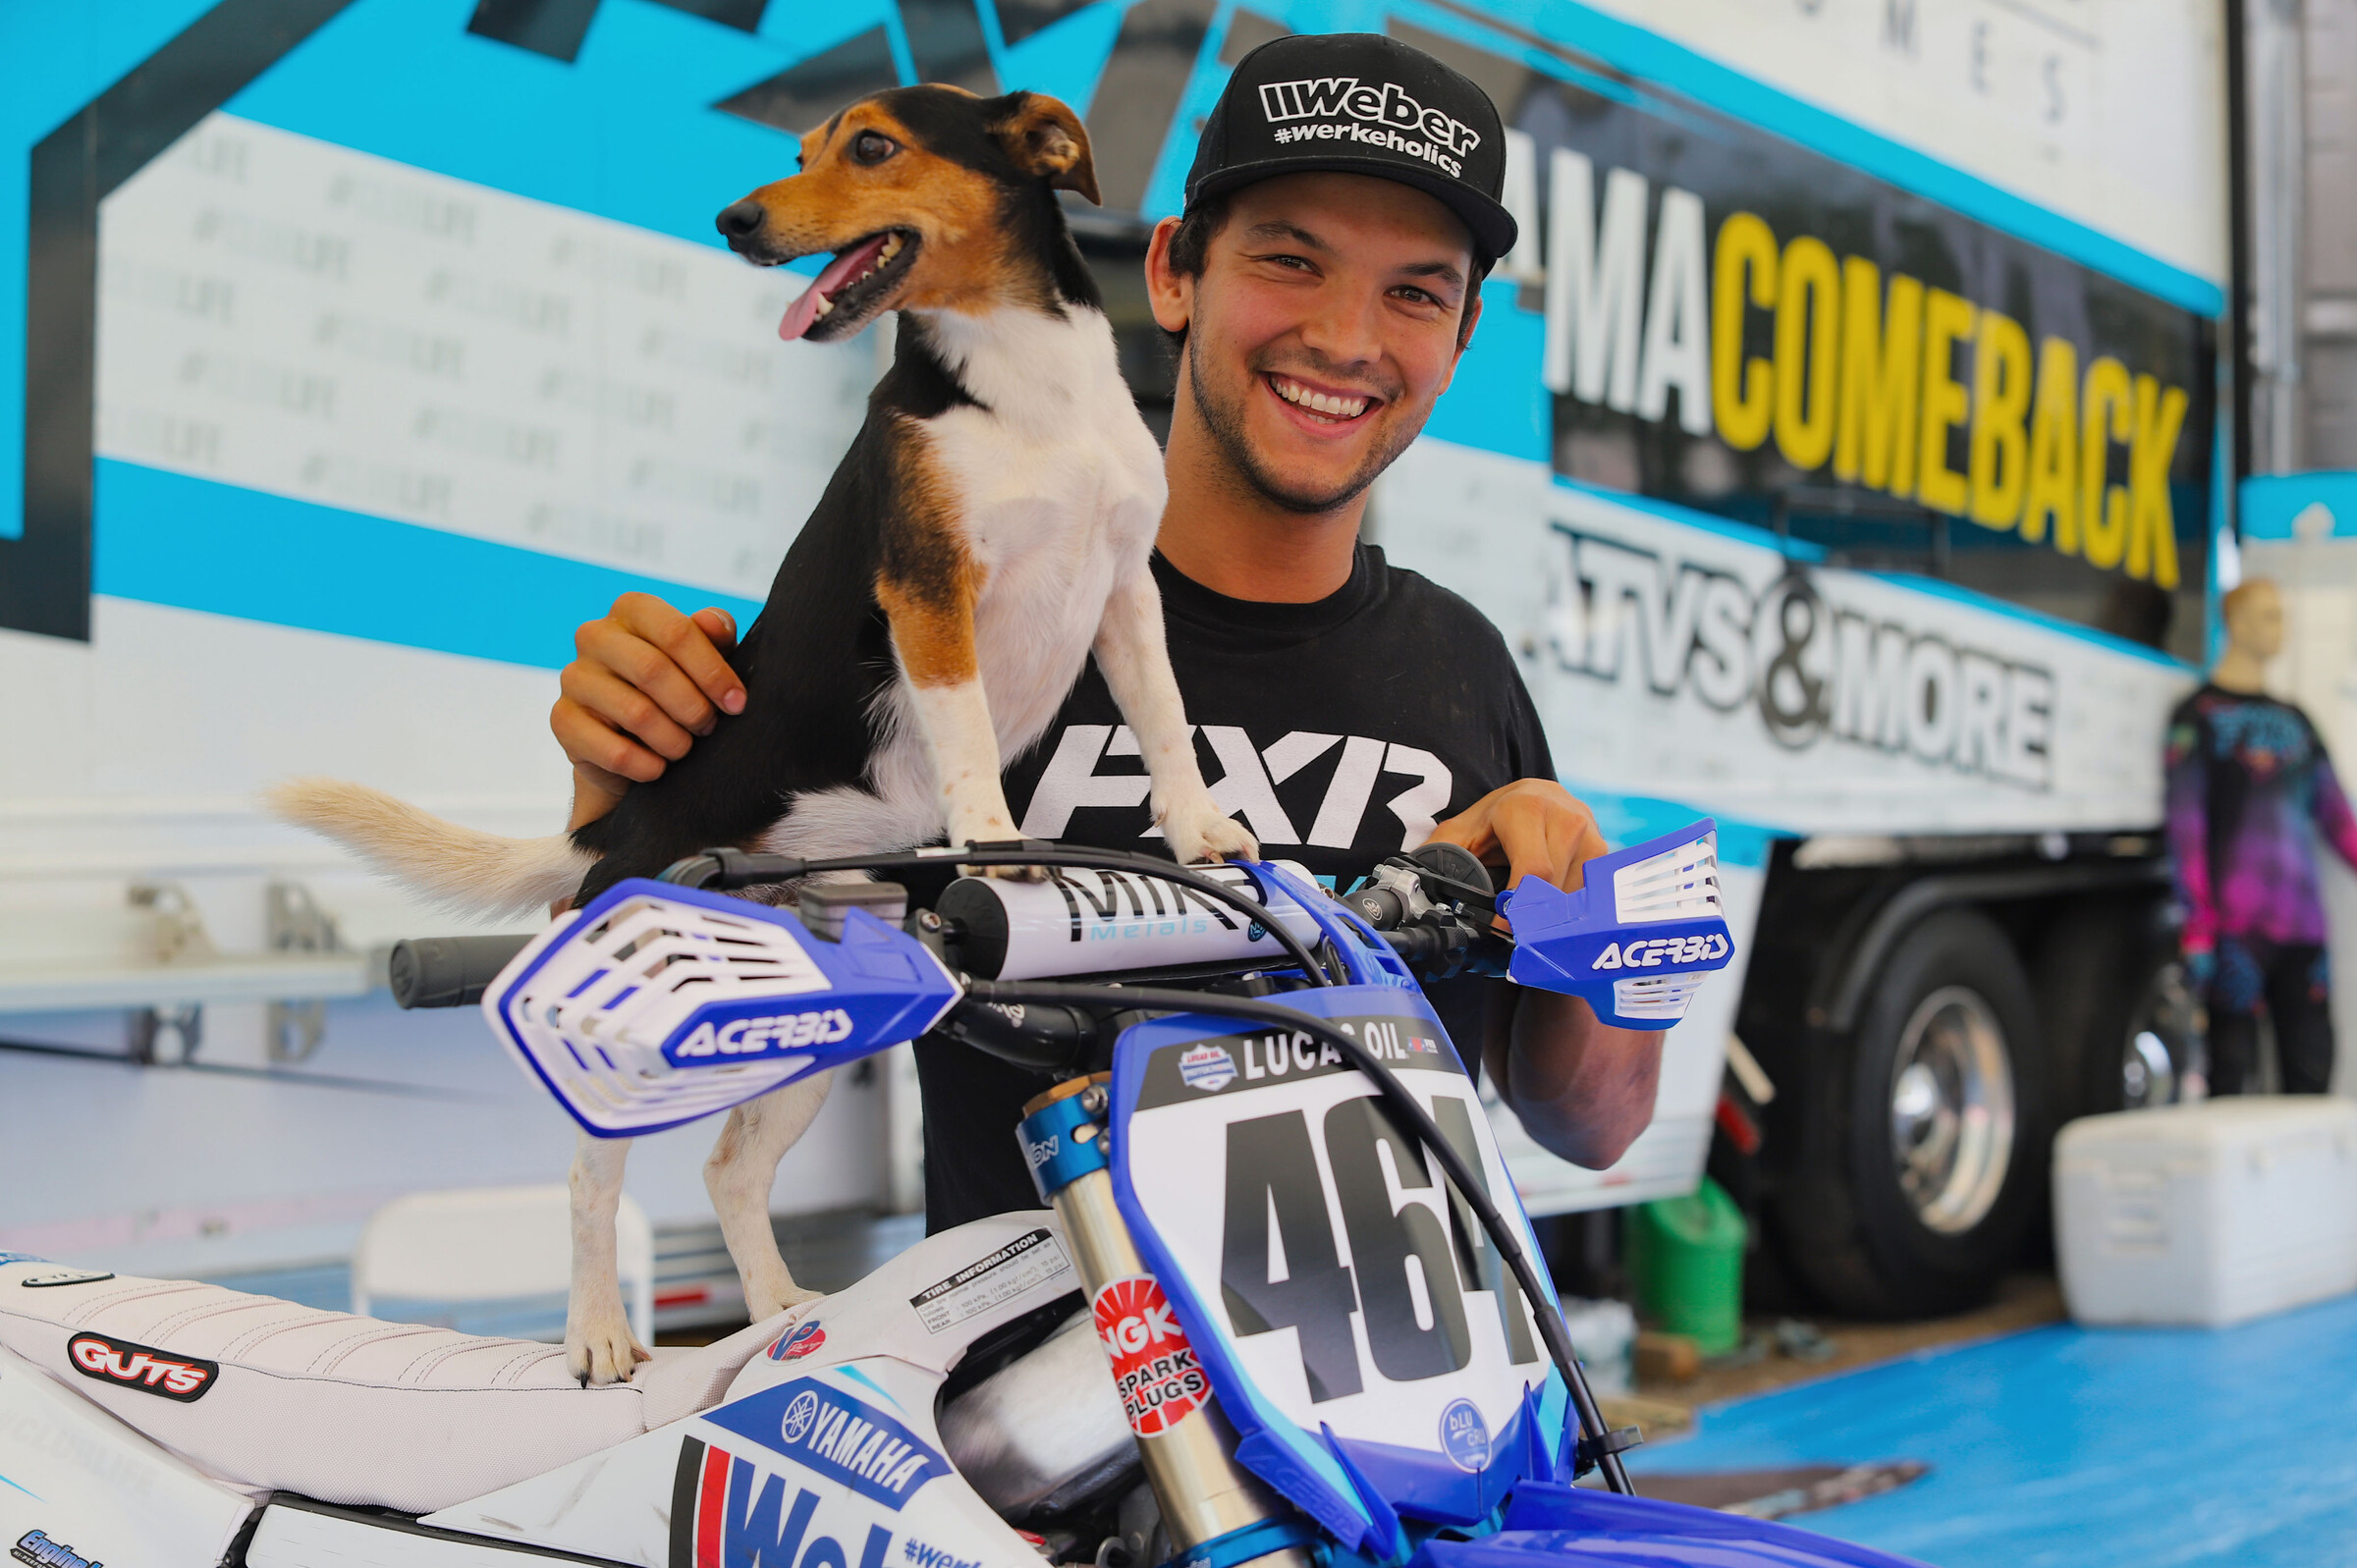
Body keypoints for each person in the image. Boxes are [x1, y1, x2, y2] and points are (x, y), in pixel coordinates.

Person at [549, 34, 1664, 1227]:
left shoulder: (1465, 665)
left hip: (1384, 1397)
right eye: (1291, 260)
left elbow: (1591, 1123)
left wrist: (1591, 913)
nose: (1347, 337)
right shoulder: (959, 630)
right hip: (1020, 1379)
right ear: (1177, 272)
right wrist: (608, 772)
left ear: (1459, 340)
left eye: (1415, 292)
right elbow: (657, 944)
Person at [2165, 577, 2357, 1095]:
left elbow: (2339, 818)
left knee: (2314, 1068)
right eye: (2269, 616)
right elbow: (2186, 829)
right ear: (2238, 622)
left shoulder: (2296, 723)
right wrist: (2199, 923)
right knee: (2231, 1077)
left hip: (2304, 931)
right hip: (2235, 932)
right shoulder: (2197, 718)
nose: (2281, 630)